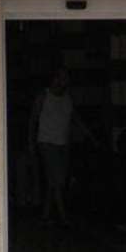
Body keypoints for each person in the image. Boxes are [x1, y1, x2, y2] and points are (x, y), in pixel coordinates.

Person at [28, 68, 93, 226]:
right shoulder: (44, 96)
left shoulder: (67, 98)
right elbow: (33, 120)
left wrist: (90, 135)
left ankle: (45, 215)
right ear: (55, 79)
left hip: (63, 143)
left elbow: (75, 118)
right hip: (47, 142)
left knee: (54, 180)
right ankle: (64, 216)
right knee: (58, 179)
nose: (66, 81)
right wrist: (31, 142)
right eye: (63, 77)